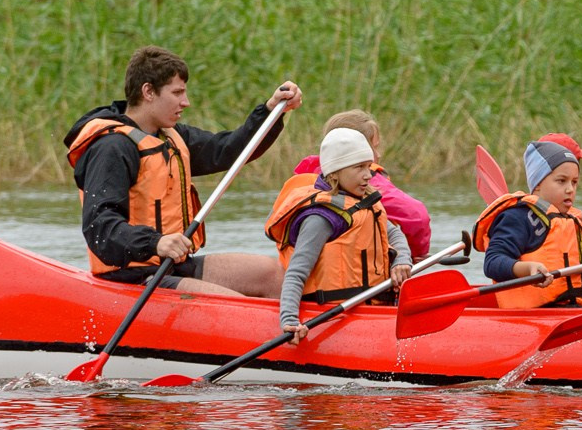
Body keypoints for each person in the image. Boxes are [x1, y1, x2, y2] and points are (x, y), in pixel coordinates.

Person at [63, 46, 298, 297]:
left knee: (277, 277)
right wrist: (155, 243)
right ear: (148, 92)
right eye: (177, 93)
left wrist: (272, 111)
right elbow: (100, 228)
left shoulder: (171, 137)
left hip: (174, 265)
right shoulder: (112, 147)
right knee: (238, 304)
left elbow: (229, 150)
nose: (185, 102)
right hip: (133, 277)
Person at [264, 126, 417, 335]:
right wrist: (289, 319)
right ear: (335, 172)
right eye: (359, 168)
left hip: (372, 310)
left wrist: (402, 261)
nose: (368, 176)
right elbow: (296, 272)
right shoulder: (320, 218)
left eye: (368, 167)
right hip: (335, 315)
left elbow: (394, 233)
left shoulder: (364, 202)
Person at [474, 133, 582, 307]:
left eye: (575, 182)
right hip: (537, 317)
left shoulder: (574, 222)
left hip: (571, 309)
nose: (570, 189)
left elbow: (579, 284)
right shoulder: (517, 217)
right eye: (562, 181)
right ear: (538, 184)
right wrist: (527, 269)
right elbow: (492, 262)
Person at [287, 110, 433, 263]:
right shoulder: (369, 181)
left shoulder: (313, 177)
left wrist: (401, 257)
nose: (378, 154)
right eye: (373, 148)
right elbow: (417, 217)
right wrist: (416, 256)